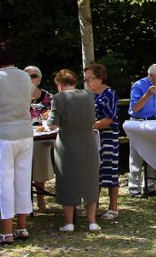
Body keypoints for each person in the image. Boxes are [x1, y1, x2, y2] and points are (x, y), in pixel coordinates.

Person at [0, 42, 35, 245]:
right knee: (22, 179)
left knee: (5, 181)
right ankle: (22, 226)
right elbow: (30, 98)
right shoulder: (24, 76)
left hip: (3, 134)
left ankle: (7, 231)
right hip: (24, 132)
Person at [46, 70, 101, 233]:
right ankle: (92, 221)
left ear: (59, 84)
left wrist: (48, 118)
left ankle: (69, 223)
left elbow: (53, 123)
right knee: (90, 180)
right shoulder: (88, 95)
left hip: (67, 144)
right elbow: (93, 120)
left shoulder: (58, 98)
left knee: (67, 180)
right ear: (74, 82)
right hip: (88, 143)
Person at [84, 62, 120, 221]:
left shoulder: (109, 94)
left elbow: (108, 118)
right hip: (92, 137)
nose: (87, 83)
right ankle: (94, 205)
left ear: (99, 78)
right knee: (94, 171)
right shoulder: (87, 95)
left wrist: (90, 125)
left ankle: (113, 207)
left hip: (107, 137)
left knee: (109, 170)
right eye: (85, 80)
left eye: (89, 79)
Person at [128, 63, 156, 197]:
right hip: (138, 123)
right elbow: (135, 108)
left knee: (153, 154)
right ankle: (135, 189)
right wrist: (148, 94)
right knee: (136, 156)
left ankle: (150, 187)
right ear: (151, 76)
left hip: (154, 122)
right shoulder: (139, 85)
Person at [24, 65, 53, 213]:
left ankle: (41, 199)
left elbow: (53, 118)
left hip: (42, 137)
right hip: (23, 137)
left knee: (40, 155)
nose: (30, 79)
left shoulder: (48, 97)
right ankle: (24, 203)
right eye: (27, 76)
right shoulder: (18, 96)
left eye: (33, 76)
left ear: (39, 79)